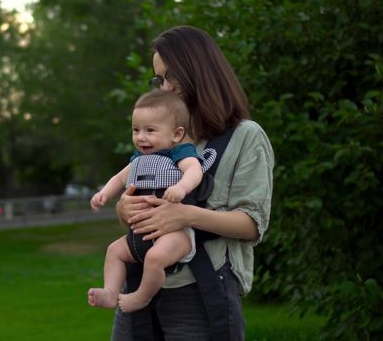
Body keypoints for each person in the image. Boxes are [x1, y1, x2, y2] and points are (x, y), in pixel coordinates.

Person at [110, 25, 274, 341]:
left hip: (201, 294)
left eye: (172, 78)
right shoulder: (160, 137)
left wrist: (186, 216)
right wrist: (124, 209)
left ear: (199, 73)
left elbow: (253, 224)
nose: (165, 89)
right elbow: (135, 205)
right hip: (140, 287)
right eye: (159, 80)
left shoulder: (245, 137)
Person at [88, 89, 202, 313]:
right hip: (139, 232)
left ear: (176, 134)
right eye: (136, 130)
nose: (141, 137)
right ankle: (111, 292)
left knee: (155, 258)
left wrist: (181, 188)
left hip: (175, 234)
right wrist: (104, 194)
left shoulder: (179, 153)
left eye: (150, 130)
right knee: (114, 251)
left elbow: (194, 171)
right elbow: (120, 178)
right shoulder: (140, 158)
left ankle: (142, 296)